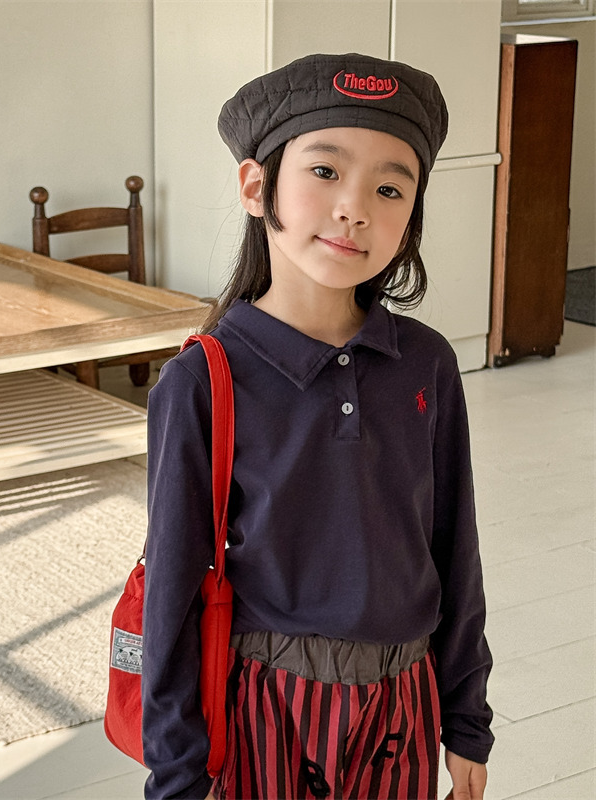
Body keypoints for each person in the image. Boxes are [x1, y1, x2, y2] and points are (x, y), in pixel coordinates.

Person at [141, 53, 494, 800]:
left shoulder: (426, 363)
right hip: (266, 706)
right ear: (255, 186)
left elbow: (453, 546)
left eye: (390, 187)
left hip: (404, 700)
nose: (354, 207)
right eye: (325, 172)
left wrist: (465, 718)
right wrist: (176, 771)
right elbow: (173, 587)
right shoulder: (203, 380)